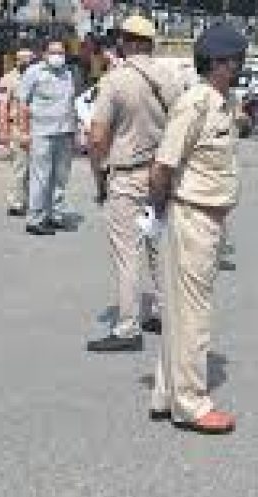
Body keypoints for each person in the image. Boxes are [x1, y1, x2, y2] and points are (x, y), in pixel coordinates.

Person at [147, 23, 248, 435]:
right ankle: (190, 404)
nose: (240, 67)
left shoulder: (222, 101)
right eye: (236, 61)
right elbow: (163, 166)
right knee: (192, 316)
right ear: (220, 63)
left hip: (206, 217)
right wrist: (161, 213)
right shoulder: (196, 103)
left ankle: (166, 393)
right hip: (191, 216)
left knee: (179, 311)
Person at [86, 16, 183, 353]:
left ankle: (128, 328)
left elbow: (97, 137)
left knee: (127, 254)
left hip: (126, 175)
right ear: (151, 43)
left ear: (125, 42)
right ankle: (161, 312)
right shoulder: (170, 80)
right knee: (158, 247)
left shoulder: (115, 81)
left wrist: (98, 174)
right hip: (161, 174)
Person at [17, 40, 77, 236]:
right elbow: (23, 104)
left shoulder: (68, 73)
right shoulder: (34, 72)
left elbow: (70, 102)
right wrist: (24, 132)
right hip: (41, 132)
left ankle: (54, 215)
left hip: (64, 132)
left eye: (61, 52)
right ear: (44, 54)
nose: (58, 56)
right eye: (53, 52)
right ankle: (35, 219)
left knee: (60, 177)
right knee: (40, 177)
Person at [0, 48, 34, 217]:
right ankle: (16, 202)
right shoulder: (7, 80)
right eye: (22, 59)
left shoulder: (35, 77)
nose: (26, 62)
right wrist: (4, 131)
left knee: (34, 168)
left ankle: (31, 201)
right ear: (16, 61)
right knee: (20, 167)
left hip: (35, 127)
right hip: (17, 127)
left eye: (29, 59)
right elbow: (3, 107)